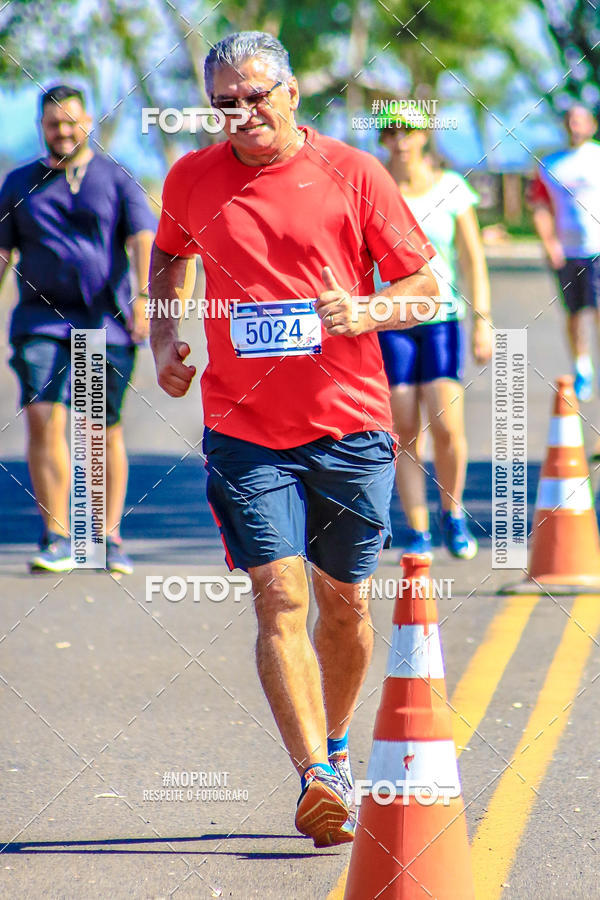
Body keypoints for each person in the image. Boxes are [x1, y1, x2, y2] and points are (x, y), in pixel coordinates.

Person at [149, 31, 439, 847]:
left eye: (254, 96)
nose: (242, 115)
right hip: (243, 429)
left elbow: (425, 285)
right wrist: (166, 336)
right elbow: (169, 261)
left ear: (291, 90)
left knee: (344, 609)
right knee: (279, 597)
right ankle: (315, 775)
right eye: (224, 104)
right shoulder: (191, 177)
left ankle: (336, 743)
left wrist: (368, 309)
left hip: (350, 425)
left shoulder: (355, 172)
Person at [0, 85, 156, 574]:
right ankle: (57, 535)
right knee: (43, 417)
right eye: (52, 123)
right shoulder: (19, 183)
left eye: (71, 121)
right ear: (41, 127)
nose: (63, 131)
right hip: (40, 321)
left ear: (87, 121)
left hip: (100, 325)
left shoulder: (114, 177)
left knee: (97, 428)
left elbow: (141, 237)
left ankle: (106, 536)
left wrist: (144, 299)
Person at [377, 115, 493, 559]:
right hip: (391, 321)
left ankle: (453, 512)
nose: (399, 141)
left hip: (442, 318)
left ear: (424, 135)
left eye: (407, 131)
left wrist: (483, 320)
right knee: (404, 425)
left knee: (446, 424)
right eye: (389, 133)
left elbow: (472, 260)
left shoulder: (451, 189)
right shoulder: (376, 188)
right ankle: (418, 528)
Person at [529, 105, 600, 402]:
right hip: (568, 252)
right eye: (570, 120)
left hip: (597, 248)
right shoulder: (550, 165)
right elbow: (540, 207)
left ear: (592, 125)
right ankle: (582, 365)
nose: (575, 125)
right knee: (574, 313)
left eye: (580, 120)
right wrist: (549, 243)